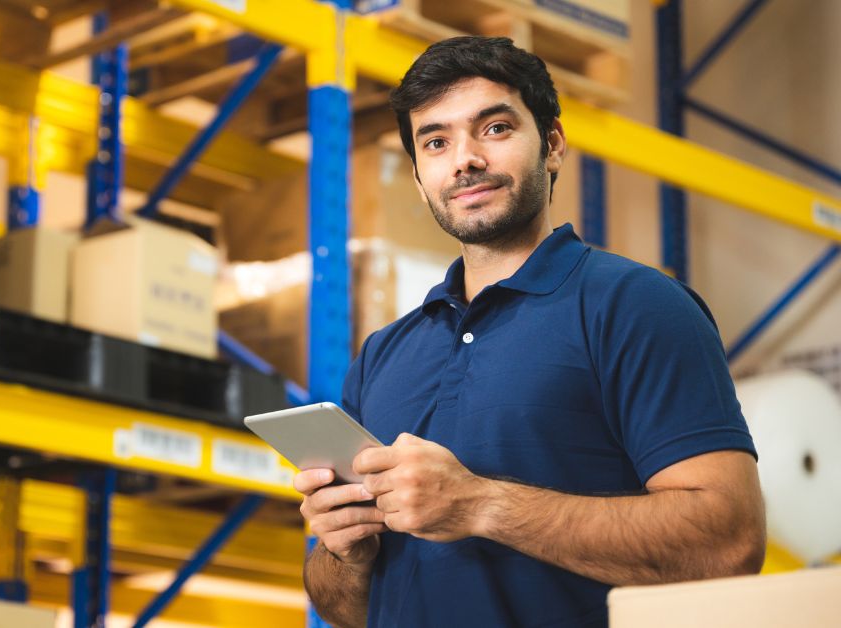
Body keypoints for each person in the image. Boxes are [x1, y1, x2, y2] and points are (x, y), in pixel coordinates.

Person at [295, 36, 765, 628]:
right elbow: (344, 608)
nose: (464, 159)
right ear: (418, 178)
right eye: (436, 142)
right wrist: (348, 552)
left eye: (493, 128)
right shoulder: (384, 353)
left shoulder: (635, 306)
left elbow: (729, 543)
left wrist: (480, 504)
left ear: (552, 145)